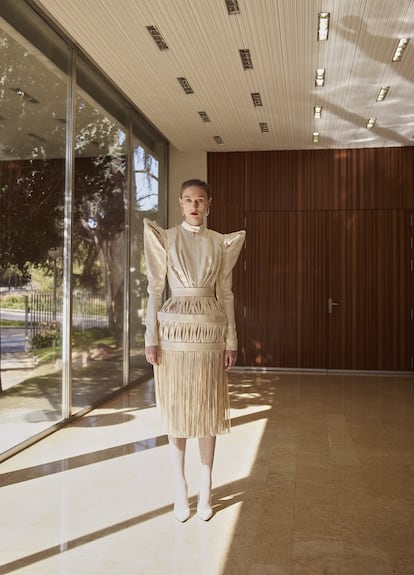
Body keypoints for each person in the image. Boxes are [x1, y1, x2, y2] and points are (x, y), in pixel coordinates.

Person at [143, 179, 245, 522]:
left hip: (210, 332)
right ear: (180, 203)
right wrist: (149, 336)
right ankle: (179, 487)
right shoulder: (166, 238)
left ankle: (206, 486)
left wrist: (232, 340)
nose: (194, 205)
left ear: (209, 203)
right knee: (178, 410)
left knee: (207, 408)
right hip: (172, 331)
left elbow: (226, 294)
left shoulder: (221, 243)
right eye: (188, 200)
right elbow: (155, 290)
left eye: (200, 200)